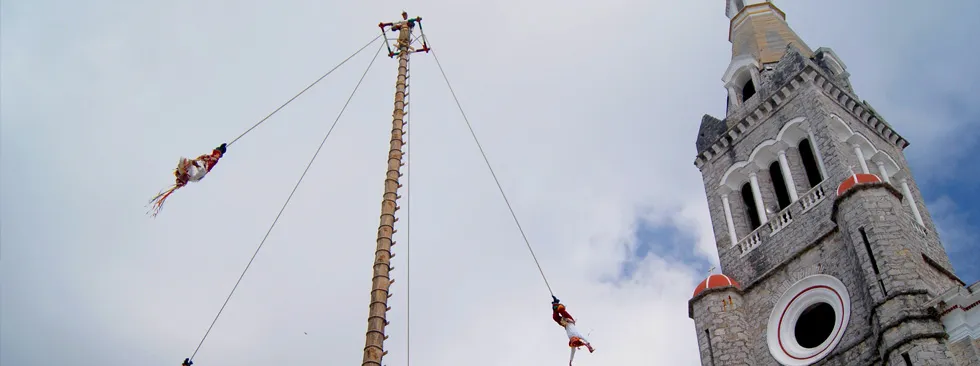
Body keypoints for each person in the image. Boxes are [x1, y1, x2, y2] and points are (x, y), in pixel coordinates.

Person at [148, 143, 227, 217]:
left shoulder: (182, 169)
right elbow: (203, 170)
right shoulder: (194, 176)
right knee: (215, 157)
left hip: (199, 162)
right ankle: (220, 151)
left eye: (181, 177)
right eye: (183, 179)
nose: (183, 177)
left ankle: (217, 151)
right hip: (204, 165)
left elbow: (184, 160)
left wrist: (190, 164)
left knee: (209, 157)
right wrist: (196, 164)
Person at [552, 296, 594, 365]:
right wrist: (589, 347)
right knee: (560, 309)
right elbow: (586, 339)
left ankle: (555, 303)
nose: (572, 340)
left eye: (572, 341)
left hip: (564, 324)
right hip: (570, 320)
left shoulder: (572, 342)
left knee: (555, 317)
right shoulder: (577, 335)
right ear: (576, 339)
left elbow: (572, 352)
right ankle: (557, 303)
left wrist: (570, 362)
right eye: (573, 340)